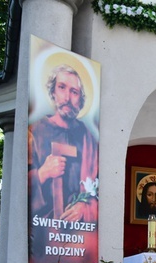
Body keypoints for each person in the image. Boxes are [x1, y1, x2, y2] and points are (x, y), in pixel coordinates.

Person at [28, 64, 99, 223]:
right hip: (42, 230)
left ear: (81, 100)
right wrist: (43, 173)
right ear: (53, 92)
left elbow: (99, 186)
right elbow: (18, 186)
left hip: (81, 234)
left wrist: (84, 206)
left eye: (74, 92)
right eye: (62, 88)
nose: (67, 98)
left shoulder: (89, 139)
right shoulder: (34, 132)